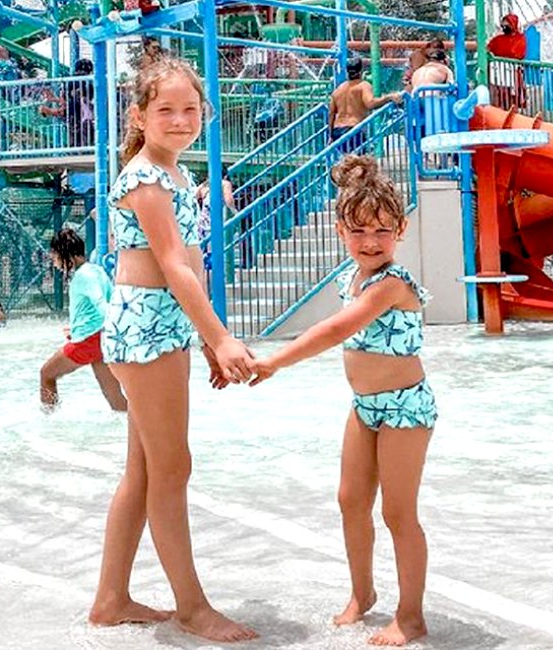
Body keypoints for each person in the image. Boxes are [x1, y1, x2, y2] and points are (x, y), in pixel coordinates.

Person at [90, 56, 258, 643]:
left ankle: (111, 599)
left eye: (191, 109)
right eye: (166, 110)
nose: (181, 119)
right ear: (140, 115)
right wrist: (220, 336)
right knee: (172, 467)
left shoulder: (175, 174)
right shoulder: (145, 179)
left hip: (163, 327)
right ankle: (192, 606)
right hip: (145, 328)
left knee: (143, 469)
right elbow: (172, 266)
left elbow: (194, 266)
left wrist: (207, 341)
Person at [251, 155, 436, 647]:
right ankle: (362, 593)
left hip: (404, 409)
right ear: (339, 231)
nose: (370, 242)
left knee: (398, 513)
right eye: (358, 232)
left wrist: (275, 361)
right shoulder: (349, 279)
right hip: (364, 407)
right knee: (350, 501)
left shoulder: (391, 285)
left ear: (401, 228)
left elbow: (337, 330)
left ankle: (411, 616)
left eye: (381, 231)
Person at [40, 228, 127, 411]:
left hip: (89, 340)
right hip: (101, 339)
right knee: (113, 396)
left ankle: (49, 421)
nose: (55, 263)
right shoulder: (96, 270)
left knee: (47, 374)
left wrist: (85, 332)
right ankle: (135, 427)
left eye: (55, 257)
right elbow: (112, 300)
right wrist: (77, 328)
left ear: (66, 255)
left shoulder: (83, 276)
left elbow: (101, 306)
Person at [329, 58, 401, 154]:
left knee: (348, 161)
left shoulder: (338, 90)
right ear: (361, 71)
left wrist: (330, 136)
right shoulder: (363, 85)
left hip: (337, 131)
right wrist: (388, 97)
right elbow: (370, 103)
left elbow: (331, 113)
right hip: (353, 130)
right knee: (359, 162)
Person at [487, 14, 528, 109]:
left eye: (507, 25)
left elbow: (518, 54)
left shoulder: (520, 38)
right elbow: (488, 48)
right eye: (503, 25)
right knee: (499, 93)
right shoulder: (498, 39)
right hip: (498, 71)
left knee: (513, 95)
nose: (505, 27)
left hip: (512, 70)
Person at [195, 166, 235, 242]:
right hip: (216, 219)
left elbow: (194, 196)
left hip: (203, 220)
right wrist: (234, 211)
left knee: (204, 246)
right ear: (225, 176)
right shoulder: (224, 183)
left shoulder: (204, 185)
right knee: (216, 243)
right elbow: (229, 200)